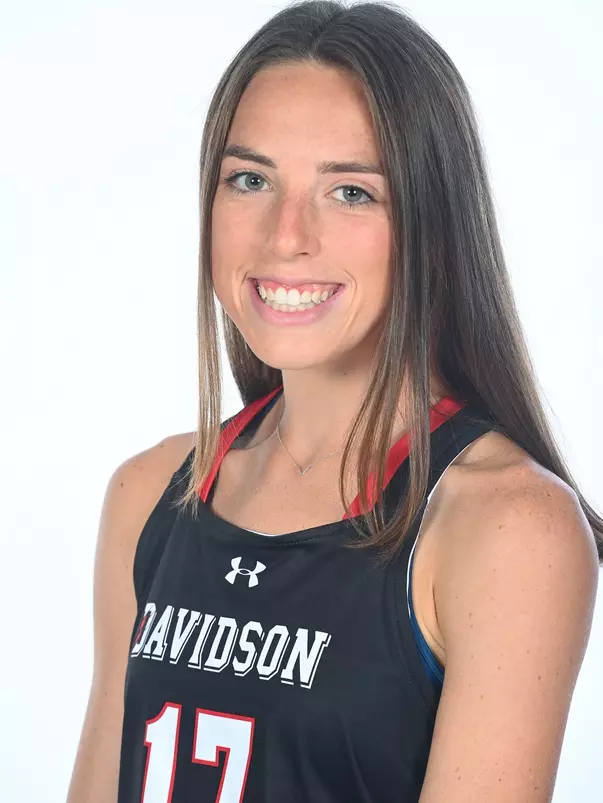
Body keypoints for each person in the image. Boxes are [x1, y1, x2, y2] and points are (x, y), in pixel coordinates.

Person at [66, 2, 602, 801]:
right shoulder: (149, 493)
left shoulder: (506, 527)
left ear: (431, 226)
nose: (285, 235)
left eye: (350, 192)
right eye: (250, 180)